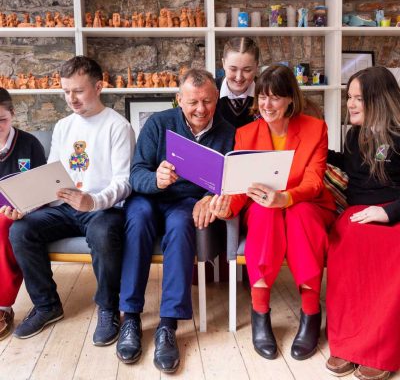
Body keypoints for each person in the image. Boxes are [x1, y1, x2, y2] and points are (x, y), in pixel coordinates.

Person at [5, 56, 135, 345]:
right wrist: (29, 202)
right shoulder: (63, 126)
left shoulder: (118, 126)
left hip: (102, 208)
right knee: (21, 230)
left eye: (78, 91)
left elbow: (125, 182)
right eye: (65, 91)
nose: (71, 98)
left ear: (99, 86)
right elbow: (53, 172)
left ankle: (108, 308)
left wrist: (93, 201)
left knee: (103, 233)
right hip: (63, 208)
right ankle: (47, 305)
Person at [210, 64, 336, 361]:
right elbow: (241, 187)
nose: (267, 105)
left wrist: (287, 197)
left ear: (290, 99)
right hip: (264, 207)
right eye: (262, 97)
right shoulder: (246, 134)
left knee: (300, 215)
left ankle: (310, 312)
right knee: (265, 214)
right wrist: (226, 206)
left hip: (307, 204)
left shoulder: (315, 128)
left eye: (275, 98)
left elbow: (315, 180)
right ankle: (260, 313)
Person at [116, 68, 235, 373]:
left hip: (186, 203)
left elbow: (228, 180)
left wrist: (211, 196)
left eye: (208, 101)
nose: (201, 109)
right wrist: (155, 178)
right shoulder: (158, 124)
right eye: (193, 102)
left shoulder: (227, 131)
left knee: (183, 226)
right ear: (179, 99)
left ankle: (167, 325)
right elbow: (136, 172)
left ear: (217, 98)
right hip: (150, 198)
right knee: (137, 219)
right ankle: (130, 316)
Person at [325, 66, 400, 380]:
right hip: (358, 212)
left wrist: (389, 213)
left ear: (379, 101)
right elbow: (354, 166)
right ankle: (348, 342)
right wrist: (314, 149)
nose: (351, 105)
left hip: (392, 212)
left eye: (358, 99)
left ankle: (379, 349)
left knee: (387, 252)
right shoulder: (357, 133)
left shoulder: (398, 136)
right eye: (349, 98)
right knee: (346, 240)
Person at [0, 88, 46, 340]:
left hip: (22, 212)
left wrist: (24, 208)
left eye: (2, 120)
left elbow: (44, 189)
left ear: (13, 114)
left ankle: (3, 306)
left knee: (4, 224)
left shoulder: (30, 144)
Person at [216, 37, 259, 128]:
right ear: (223, 63)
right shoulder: (209, 89)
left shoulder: (266, 91)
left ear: (256, 66)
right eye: (233, 69)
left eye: (247, 70)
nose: (239, 77)